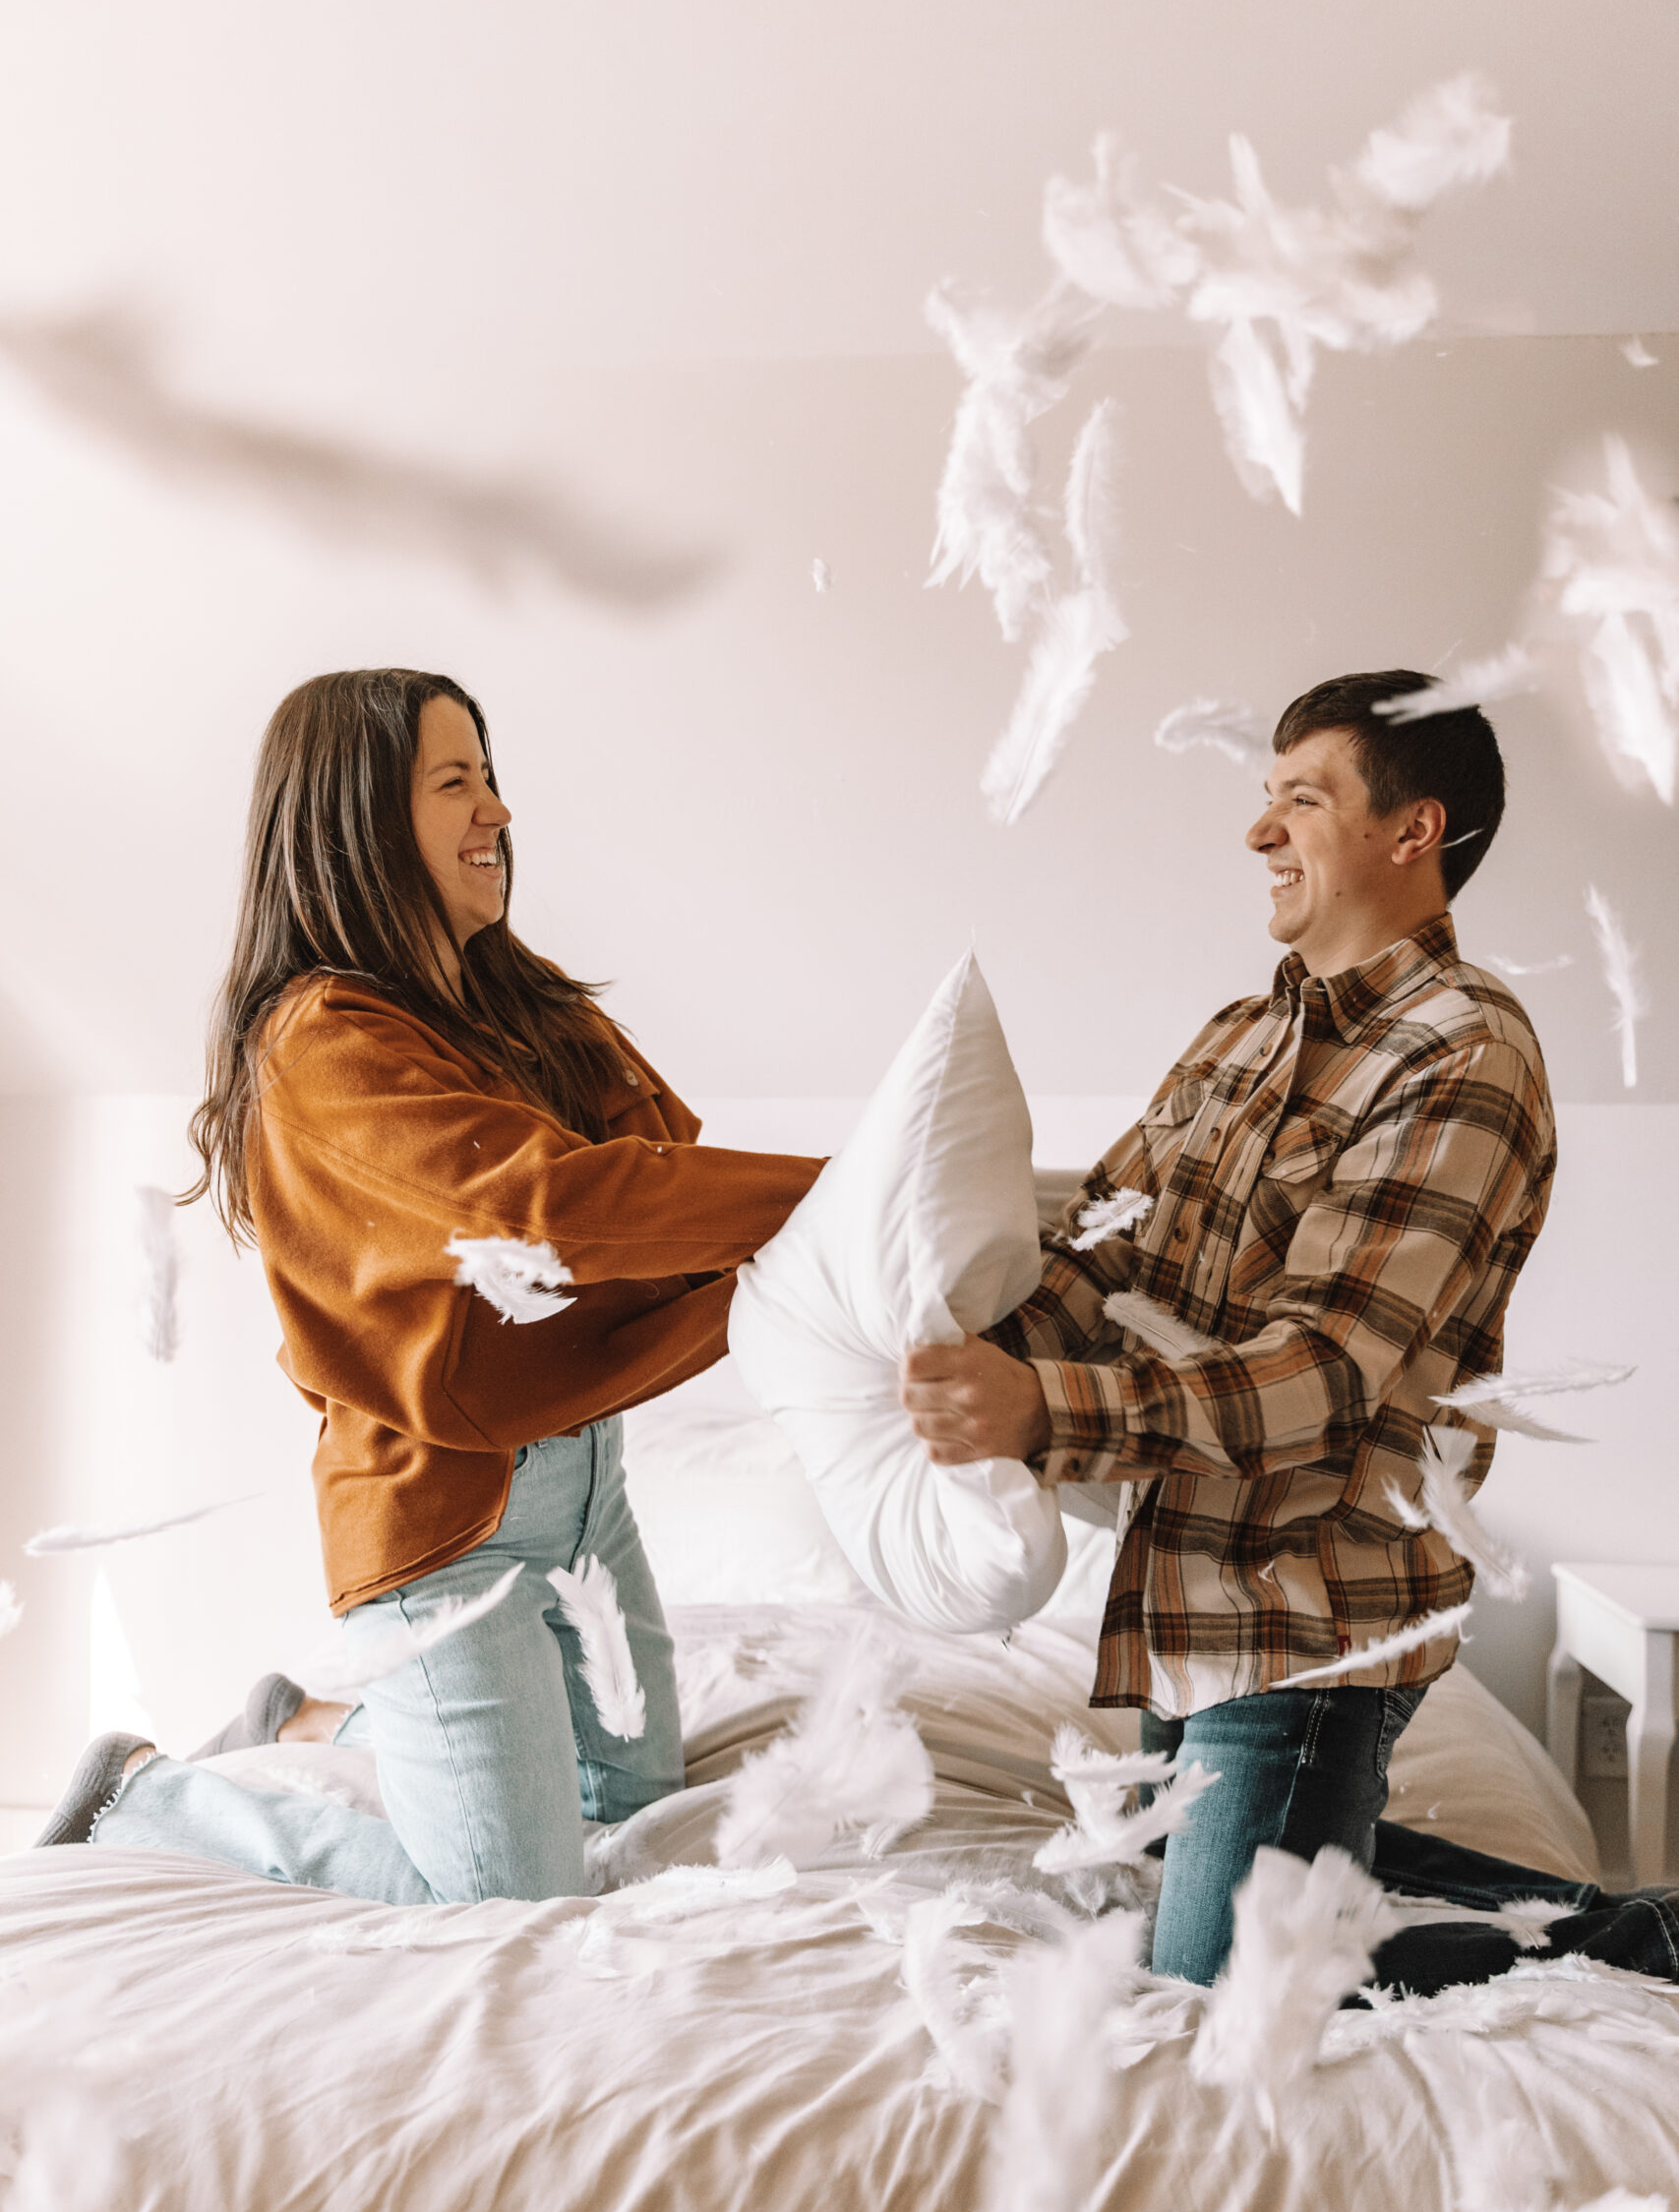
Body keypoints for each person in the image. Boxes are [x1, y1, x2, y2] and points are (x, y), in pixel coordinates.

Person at [902, 670, 1679, 1993]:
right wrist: (967, 1358)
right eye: (1262, 801)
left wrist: (1047, 1412)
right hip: (1175, 1588)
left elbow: (1326, 1368)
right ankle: (1517, 1901)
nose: (1256, 834)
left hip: (1309, 1614)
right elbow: (1107, 1248)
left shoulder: (1462, 1053)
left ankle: (1635, 1939)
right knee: (1162, 1904)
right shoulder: (1232, 1039)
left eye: (1296, 801)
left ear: (1408, 831)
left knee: (1218, 1985)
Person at [38, 669, 821, 1903]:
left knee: (638, 1810)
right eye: (456, 781)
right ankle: (147, 1792)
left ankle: (312, 1721)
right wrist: (852, 1185)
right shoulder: (321, 1042)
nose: (499, 813)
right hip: (441, 1526)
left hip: (585, 1495)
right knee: (508, 1899)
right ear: (358, 822)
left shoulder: (512, 997)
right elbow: (547, 1205)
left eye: (493, 778)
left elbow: (660, 1163)